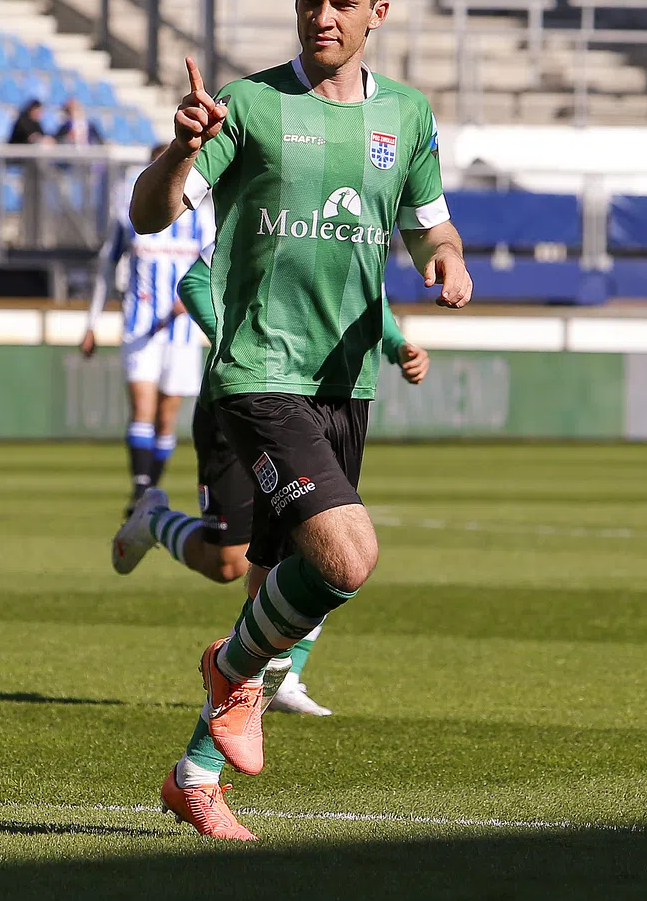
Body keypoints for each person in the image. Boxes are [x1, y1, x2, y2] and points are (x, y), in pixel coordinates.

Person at [126, 0, 472, 839]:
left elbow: (430, 226)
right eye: (311, 0)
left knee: (291, 592)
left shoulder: (407, 117)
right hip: (258, 370)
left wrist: (446, 260)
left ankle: (195, 777)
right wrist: (177, 150)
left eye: (342, 3)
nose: (324, 16)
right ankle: (228, 674)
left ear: (377, 13)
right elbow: (148, 215)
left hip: (345, 380)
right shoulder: (246, 105)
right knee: (347, 558)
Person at [114, 247, 430, 718]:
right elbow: (196, 281)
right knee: (227, 563)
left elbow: (366, 295)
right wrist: (240, 348)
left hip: (320, 404)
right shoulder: (271, 210)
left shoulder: (362, 219)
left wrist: (397, 345)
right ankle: (154, 519)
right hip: (242, 398)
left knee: (323, 542)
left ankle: (284, 675)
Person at [81, 143, 211, 516]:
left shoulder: (202, 217)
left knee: (166, 417)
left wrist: (195, 297)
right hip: (140, 326)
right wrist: (91, 324)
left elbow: (218, 264)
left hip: (183, 331)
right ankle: (139, 491)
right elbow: (106, 269)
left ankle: (151, 487)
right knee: (142, 407)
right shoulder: (130, 215)